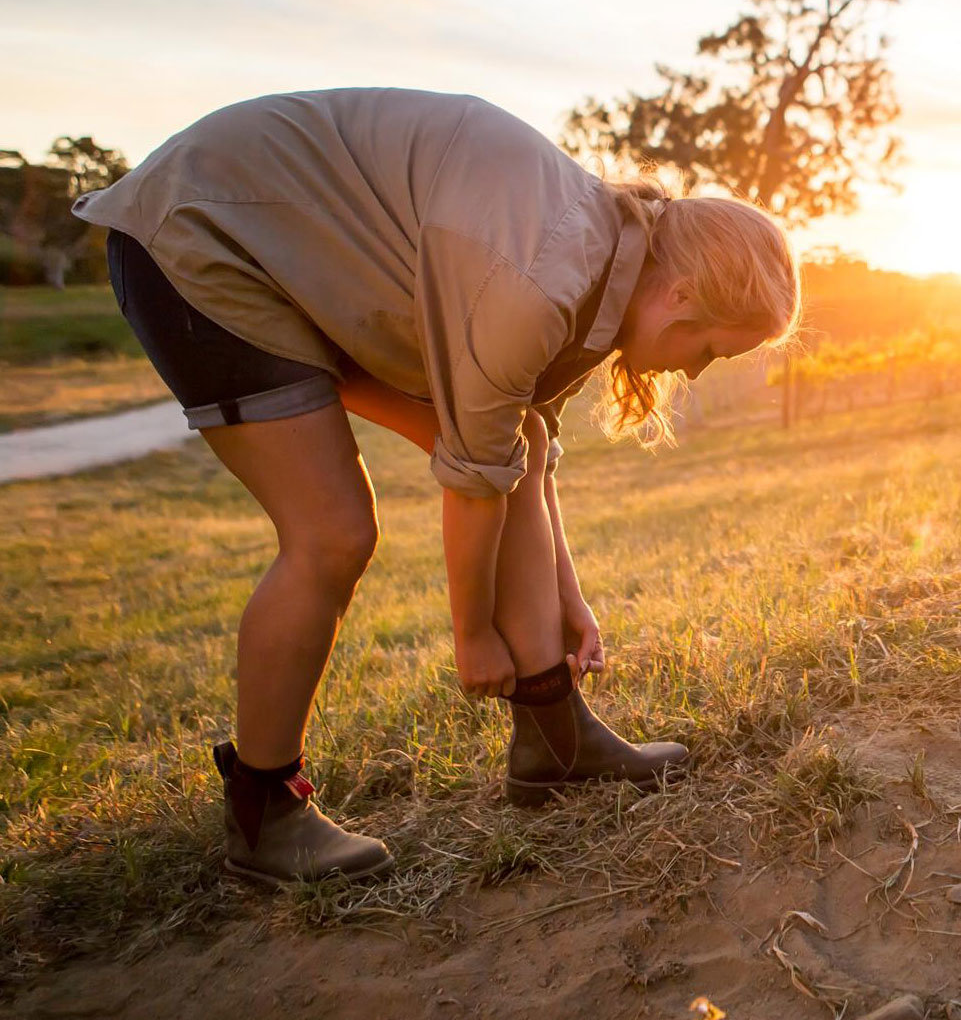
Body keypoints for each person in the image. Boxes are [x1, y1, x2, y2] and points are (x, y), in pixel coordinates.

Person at [73, 87, 800, 887]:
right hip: (208, 238)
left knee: (511, 441)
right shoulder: (539, 283)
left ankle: (554, 737)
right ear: (682, 296)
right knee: (332, 532)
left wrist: (569, 596)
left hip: (306, 260)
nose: (695, 369)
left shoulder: (604, 265)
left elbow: (517, 455)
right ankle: (264, 810)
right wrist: (472, 636)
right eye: (710, 350)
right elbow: (474, 485)